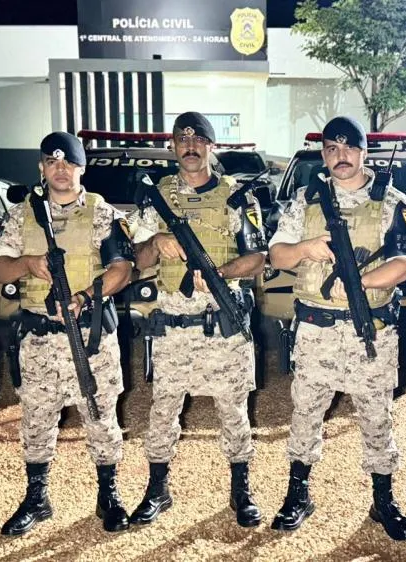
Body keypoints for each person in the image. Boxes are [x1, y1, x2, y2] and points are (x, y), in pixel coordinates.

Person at [267, 116, 406, 541]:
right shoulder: (304, 199)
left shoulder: (394, 202)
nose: (341, 157)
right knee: (305, 414)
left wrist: (360, 283)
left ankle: (383, 500)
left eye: (349, 148)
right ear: (324, 155)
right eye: (331, 150)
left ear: (363, 151)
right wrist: (305, 248)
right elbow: (277, 255)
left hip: (370, 331)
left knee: (376, 417)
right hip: (315, 330)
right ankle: (298, 493)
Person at [126, 112, 267, 528]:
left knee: (233, 409)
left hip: (223, 320)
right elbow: (135, 262)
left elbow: (259, 258)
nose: (190, 147)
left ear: (211, 147)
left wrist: (221, 275)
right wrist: (156, 241)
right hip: (172, 324)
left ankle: (241, 490)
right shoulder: (156, 198)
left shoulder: (237, 197)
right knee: (163, 409)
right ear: (173, 147)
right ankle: (157, 489)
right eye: (182, 140)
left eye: (199, 140)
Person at [0, 132, 135, 534]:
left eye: (68, 163)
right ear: (41, 167)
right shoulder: (22, 215)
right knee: (36, 421)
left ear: (81, 168)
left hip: (89, 337)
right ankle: (37, 498)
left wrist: (87, 297)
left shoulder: (102, 214)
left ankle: (109, 494)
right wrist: (28, 263)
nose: (60, 170)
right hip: (37, 337)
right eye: (52, 162)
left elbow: (121, 270)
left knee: (101, 416)